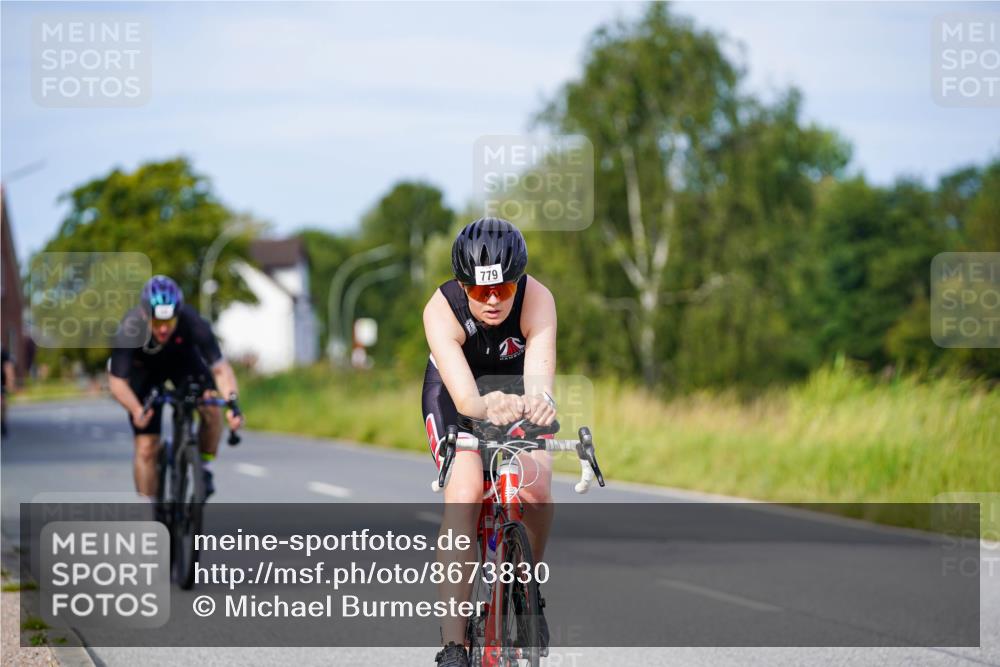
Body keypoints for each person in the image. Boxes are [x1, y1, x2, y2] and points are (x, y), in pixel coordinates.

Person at [422, 218, 558, 667]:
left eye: (504, 288)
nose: (494, 300)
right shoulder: (441, 309)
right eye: (481, 291)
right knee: (464, 495)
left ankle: (525, 586)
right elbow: (466, 398)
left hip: (514, 394)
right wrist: (484, 405)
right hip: (457, 397)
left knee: (536, 488)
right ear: (464, 287)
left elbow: (539, 381)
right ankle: (454, 643)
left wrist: (539, 405)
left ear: (519, 281)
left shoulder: (538, 299)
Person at [108, 275, 243, 500]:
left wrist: (232, 403)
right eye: (157, 323)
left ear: (178, 315)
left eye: (169, 322)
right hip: (144, 372)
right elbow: (117, 382)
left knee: (211, 407)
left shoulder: (193, 322)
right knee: (146, 446)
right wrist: (135, 409)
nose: (163, 329)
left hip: (183, 363)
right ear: (145, 315)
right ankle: (147, 508)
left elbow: (220, 369)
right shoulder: (130, 329)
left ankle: (204, 467)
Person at [1, 347, 15, 436]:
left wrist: (10, 383)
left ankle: (2, 423)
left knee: (2, 403)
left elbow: (8, 368)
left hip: (1, 383)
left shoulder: (3, 352)